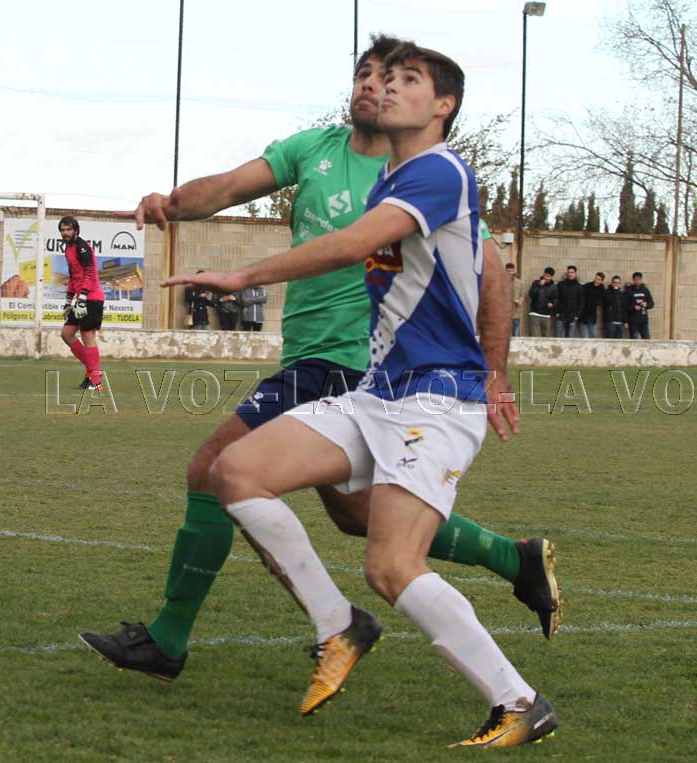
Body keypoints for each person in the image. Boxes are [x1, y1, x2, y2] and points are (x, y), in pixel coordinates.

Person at [79, 34, 558, 699]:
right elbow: (230, 185)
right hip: (324, 360)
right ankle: (512, 557)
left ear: (437, 103)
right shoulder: (320, 150)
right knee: (356, 514)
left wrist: (496, 370)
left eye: (395, 77)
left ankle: (175, 636)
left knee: (216, 469)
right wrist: (174, 203)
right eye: (367, 74)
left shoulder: (428, 171)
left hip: (355, 363)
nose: (375, 85)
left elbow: (488, 270)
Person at [58, 215, 105, 391]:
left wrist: (83, 298)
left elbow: (90, 273)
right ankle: (93, 371)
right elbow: (73, 277)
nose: (65, 233)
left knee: (87, 336)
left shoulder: (82, 247)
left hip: (92, 298)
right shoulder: (68, 249)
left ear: (76, 230)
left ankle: (96, 380)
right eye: (63, 230)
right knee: (66, 334)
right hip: (81, 299)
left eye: (68, 229)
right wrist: (68, 301)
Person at [555, 265, 583, 337]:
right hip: (561, 315)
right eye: (569, 272)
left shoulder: (579, 286)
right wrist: (557, 312)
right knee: (558, 337)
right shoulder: (561, 284)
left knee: (569, 338)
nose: (570, 274)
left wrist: (577, 315)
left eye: (572, 272)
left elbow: (581, 302)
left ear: (575, 273)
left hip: (572, 316)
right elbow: (556, 298)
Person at [528, 267, 556, 337]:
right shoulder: (536, 283)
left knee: (546, 336)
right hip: (535, 313)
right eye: (545, 275)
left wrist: (552, 303)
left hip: (546, 314)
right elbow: (531, 294)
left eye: (548, 276)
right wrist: (539, 285)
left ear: (551, 277)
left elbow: (555, 299)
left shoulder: (554, 287)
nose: (546, 278)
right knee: (534, 336)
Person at [625, 271, 654, 339]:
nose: (637, 281)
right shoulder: (629, 290)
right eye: (636, 279)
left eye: (639, 279)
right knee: (634, 340)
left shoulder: (645, 290)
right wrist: (634, 307)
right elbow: (625, 305)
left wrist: (646, 304)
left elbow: (652, 304)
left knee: (646, 339)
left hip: (644, 320)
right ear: (633, 280)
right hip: (633, 321)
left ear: (641, 280)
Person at [579, 271, 605, 338]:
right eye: (596, 278)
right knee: (582, 335)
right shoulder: (587, 285)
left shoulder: (602, 288)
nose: (596, 280)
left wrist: (597, 302)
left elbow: (602, 298)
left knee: (593, 334)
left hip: (593, 314)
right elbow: (580, 292)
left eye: (599, 279)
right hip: (584, 313)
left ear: (601, 281)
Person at [505, 262, 524, 336]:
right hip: (504, 313)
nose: (509, 273)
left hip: (516, 311)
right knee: (505, 334)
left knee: (515, 334)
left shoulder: (519, 282)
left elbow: (522, 295)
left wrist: (520, 301)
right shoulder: (501, 282)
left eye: (511, 271)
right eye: (508, 271)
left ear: (514, 271)